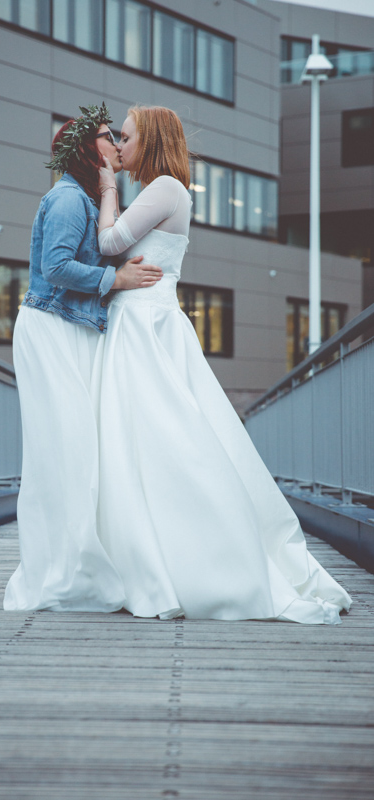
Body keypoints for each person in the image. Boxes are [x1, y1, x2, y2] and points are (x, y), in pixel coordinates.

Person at [92, 105, 352, 624]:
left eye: (125, 136)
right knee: (145, 445)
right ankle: (148, 556)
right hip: (143, 322)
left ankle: (190, 559)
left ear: (152, 139)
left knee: (170, 442)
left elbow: (110, 243)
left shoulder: (164, 186)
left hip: (146, 326)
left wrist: (106, 190)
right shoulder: (162, 188)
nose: (118, 146)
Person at [3, 104, 163, 613]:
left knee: (75, 453)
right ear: (86, 150)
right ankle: (65, 575)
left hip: (67, 329)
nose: (116, 141)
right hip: (53, 331)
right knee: (65, 453)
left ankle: (77, 568)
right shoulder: (70, 198)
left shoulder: (87, 199)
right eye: (106, 135)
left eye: (118, 134)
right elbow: (55, 268)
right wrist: (115, 279)